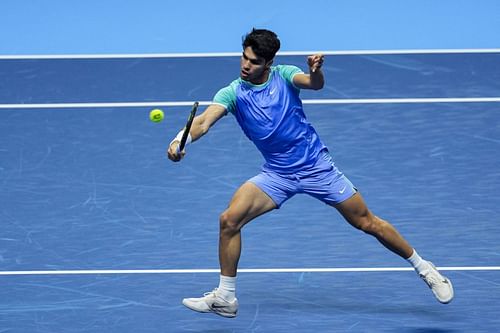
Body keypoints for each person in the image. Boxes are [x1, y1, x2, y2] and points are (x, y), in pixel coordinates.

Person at [167, 28, 454, 318]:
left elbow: (313, 84)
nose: (245, 65)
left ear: (268, 63)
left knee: (367, 222)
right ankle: (226, 297)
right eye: (244, 57)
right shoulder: (233, 92)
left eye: (253, 61)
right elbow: (202, 122)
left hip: (316, 167)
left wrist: (315, 72)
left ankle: (425, 269)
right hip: (277, 174)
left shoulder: (285, 76)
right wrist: (181, 140)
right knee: (229, 220)